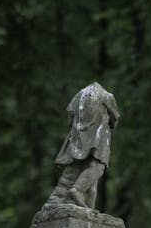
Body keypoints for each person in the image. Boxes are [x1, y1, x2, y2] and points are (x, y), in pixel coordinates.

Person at [45, 82, 120, 211]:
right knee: (98, 167)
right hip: (99, 138)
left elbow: (70, 115)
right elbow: (115, 118)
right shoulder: (107, 96)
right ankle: (77, 190)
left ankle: (89, 209)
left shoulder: (79, 95)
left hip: (78, 138)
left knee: (87, 180)